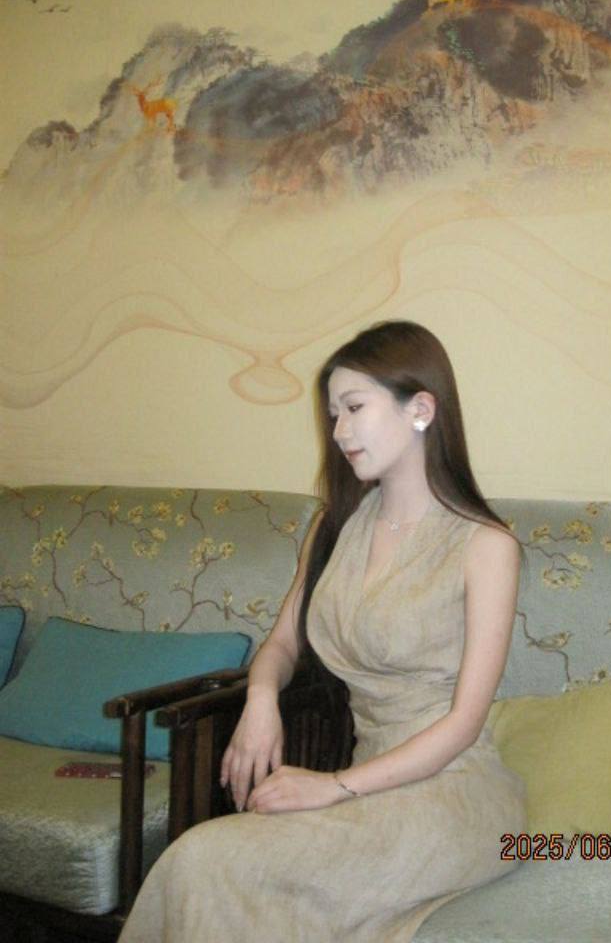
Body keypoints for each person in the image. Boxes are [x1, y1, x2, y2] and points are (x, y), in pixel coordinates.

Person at [119, 320, 526, 943]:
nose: (338, 432)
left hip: (453, 794)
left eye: (354, 408)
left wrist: (335, 787)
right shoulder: (335, 528)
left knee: (208, 861)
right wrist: (260, 701)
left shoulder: (486, 546)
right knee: (199, 859)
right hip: (371, 785)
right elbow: (282, 645)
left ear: (421, 409)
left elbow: (463, 724)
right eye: (334, 415)